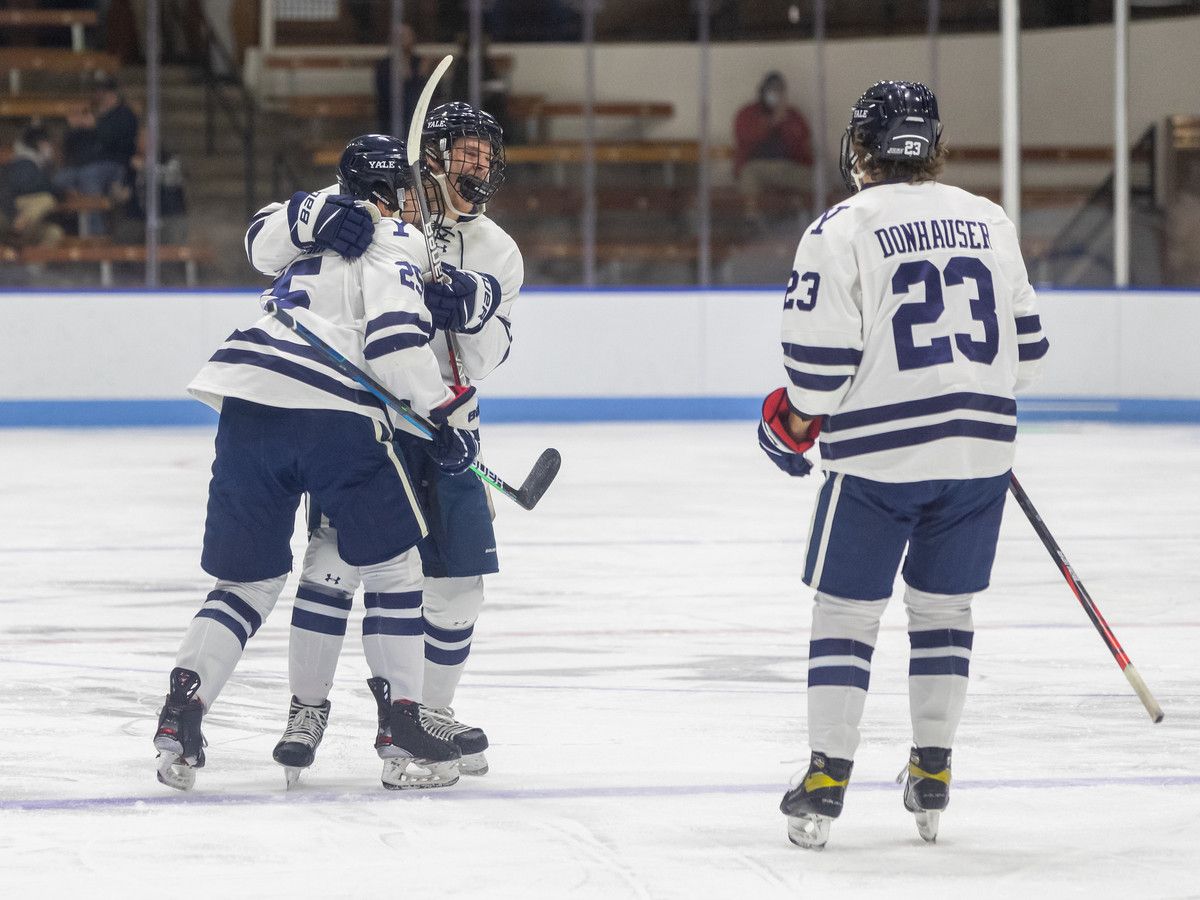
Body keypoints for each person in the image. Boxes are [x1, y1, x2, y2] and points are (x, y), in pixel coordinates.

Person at [152, 134, 498, 792]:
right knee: (395, 566)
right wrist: (440, 414)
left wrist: (310, 213)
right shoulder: (393, 240)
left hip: (247, 406)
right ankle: (401, 720)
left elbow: (259, 239)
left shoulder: (306, 223)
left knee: (246, 583)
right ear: (394, 192)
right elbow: (395, 343)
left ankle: (182, 711)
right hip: (334, 420)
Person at [756, 81, 1049, 849]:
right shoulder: (990, 218)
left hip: (878, 463)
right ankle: (932, 769)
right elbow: (1032, 357)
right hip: (981, 456)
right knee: (944, 615)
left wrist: (786, 424)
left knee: (847, 618)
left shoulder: (842, 227)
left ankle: (826, 776)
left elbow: (816, 375)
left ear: (862, 147)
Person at [243, 103, 520, 786]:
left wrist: (472, 309)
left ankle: (428, 712)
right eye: (465, 153)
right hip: (370, 423)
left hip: (450, 424)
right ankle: (311, 710)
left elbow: (489, 355)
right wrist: (310, 218)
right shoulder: (381, 208)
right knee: (337, 565)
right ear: (431, 156)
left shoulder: (499, 250)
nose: (476, 168)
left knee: (457, 587)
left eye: (485, 157)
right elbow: (263, 247)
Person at [52, 73, 139, 234]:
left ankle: (96, 233)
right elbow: (69, 143)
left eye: (103, 91)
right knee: (59, 180)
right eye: (98, 91)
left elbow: (116, 141)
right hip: (82, 165)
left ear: (113, 94)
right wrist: (74, 126)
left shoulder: (125, 114)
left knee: (89, 176)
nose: (99, 95)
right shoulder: (91, 113)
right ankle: (67, 229)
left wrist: (95, 125)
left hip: (114, 165)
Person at [733, 72, 813, 228]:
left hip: (788, 169)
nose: (775, 95)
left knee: (818, 178)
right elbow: (745, 139)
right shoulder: (748, 114)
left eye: (779, 90)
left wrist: (785, 122)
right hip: (759, 168)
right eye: (771, 90)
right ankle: (752, 220)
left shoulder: (793, 116)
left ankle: (813, 221)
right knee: (748, 174)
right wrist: (770, 123)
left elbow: (803, 149)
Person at [0, 125, 64, 248]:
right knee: (45, 199)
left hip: (23, 225)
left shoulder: (40, 166)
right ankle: (17, 227)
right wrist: (14, 216)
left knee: (54, 233)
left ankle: (34, 267)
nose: (50, 148)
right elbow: (31, 186)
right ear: (40, 144)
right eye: (48, 143)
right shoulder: (22, 164)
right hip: (7, 216)